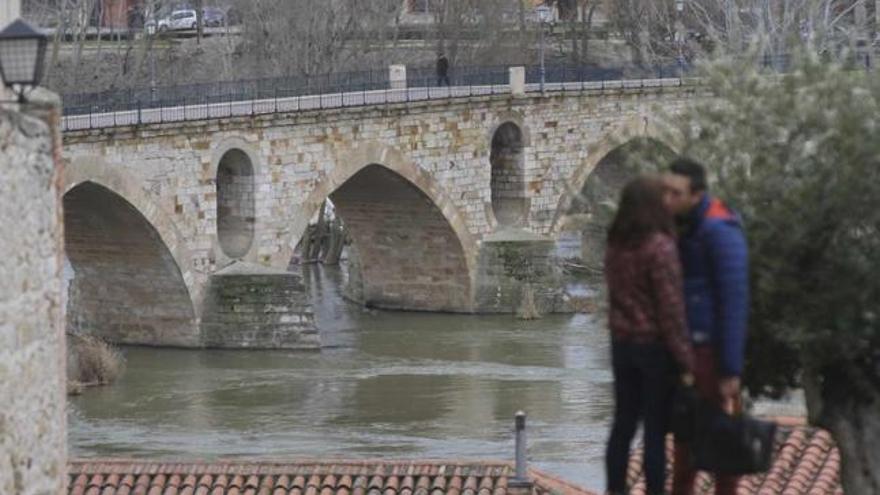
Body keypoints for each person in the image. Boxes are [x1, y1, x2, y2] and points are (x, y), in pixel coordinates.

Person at [663, 158, 749, 495]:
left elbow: (734, 301)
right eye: (665, 191)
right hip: (687, 354)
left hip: (709, 355)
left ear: (696, 194)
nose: (667, 199)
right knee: (685, 443)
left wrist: (730, 369)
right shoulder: (686, 227)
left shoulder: (719, 230)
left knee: (719, 445)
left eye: (675, 193)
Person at [604, 177, 695, 495]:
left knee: (622, 425)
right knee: (654, 430)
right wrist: (686, 360)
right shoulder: (659, 247)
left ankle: (615, 490)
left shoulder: (614, 245)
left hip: (621, 345)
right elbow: (670, 309)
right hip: (653, 348)